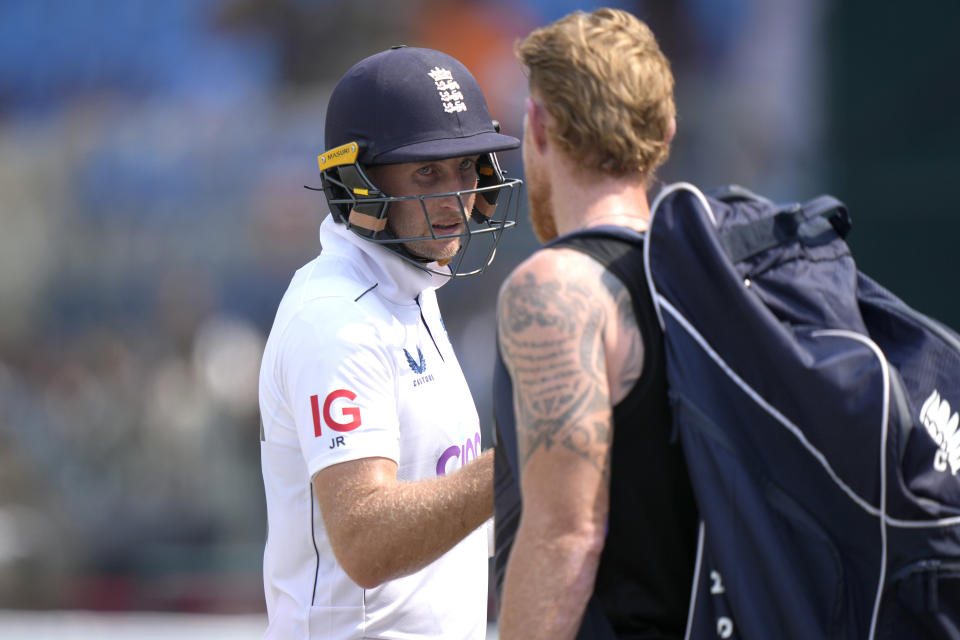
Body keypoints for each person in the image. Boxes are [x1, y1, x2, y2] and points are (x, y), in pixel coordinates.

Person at [258, 45, 523, 639]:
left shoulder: (407, 288)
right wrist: (524, 460)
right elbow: (366, 542)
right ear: (358, 181)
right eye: (426, 171)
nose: (456, 197)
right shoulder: (335, 319)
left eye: (465, 167)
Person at [493, 9, 699, 639]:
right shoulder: (712, 278)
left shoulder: (557, 288)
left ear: (539, 124)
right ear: (665, 132)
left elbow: (566, 534)